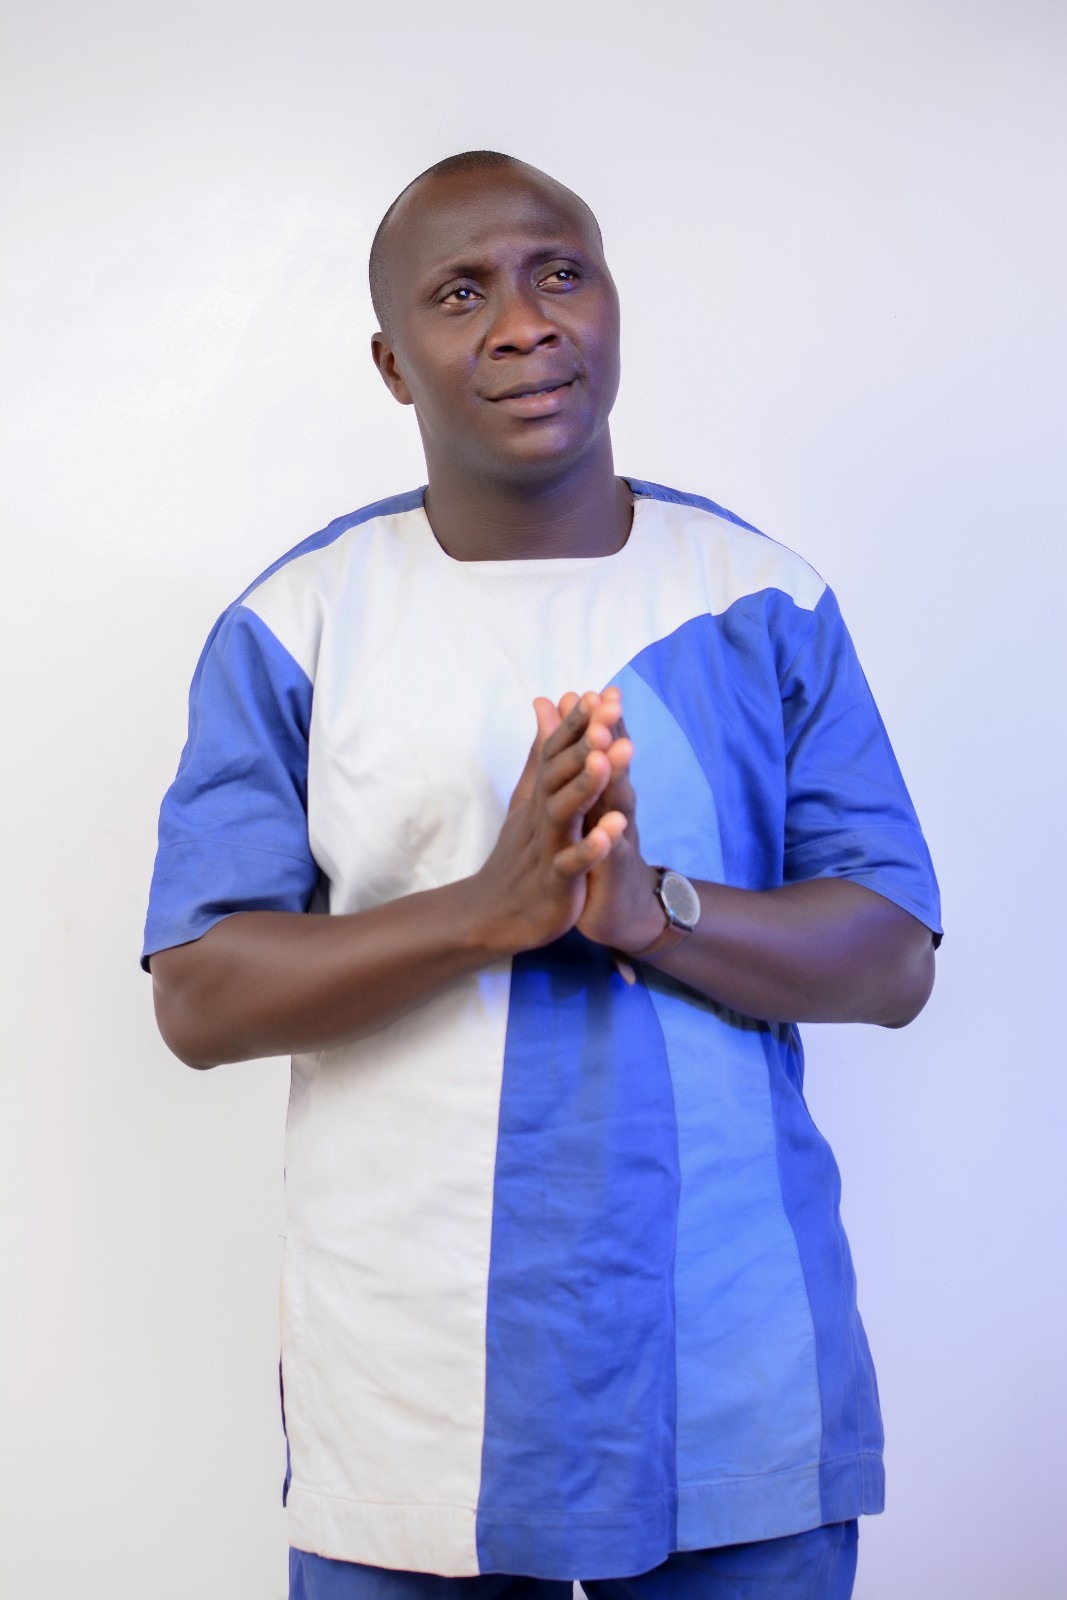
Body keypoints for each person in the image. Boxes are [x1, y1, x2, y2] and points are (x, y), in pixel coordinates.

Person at [144, 151, 941, 1600]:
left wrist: (652, 914)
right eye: (462, 294)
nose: (525, 323)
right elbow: (199, 995)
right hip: (413, 1403)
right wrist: (486, 915)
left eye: (558, 273)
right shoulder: (300, 622)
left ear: (612, 303)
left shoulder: (760, 599)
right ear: (393, 364)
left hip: (736, 1376)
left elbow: (892, 957)